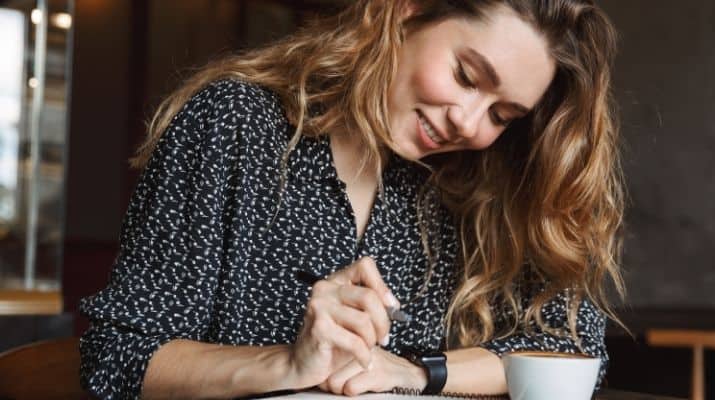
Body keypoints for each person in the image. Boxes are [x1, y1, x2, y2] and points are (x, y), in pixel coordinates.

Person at [79, 0, 626, 399]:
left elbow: (573, 352)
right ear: (406, 12)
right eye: (465, 76)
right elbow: (116, 359)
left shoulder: (474, 185)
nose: (467, 121)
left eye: (501, 116)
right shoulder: (232, 124)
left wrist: (415, 372)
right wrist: (287, 364)